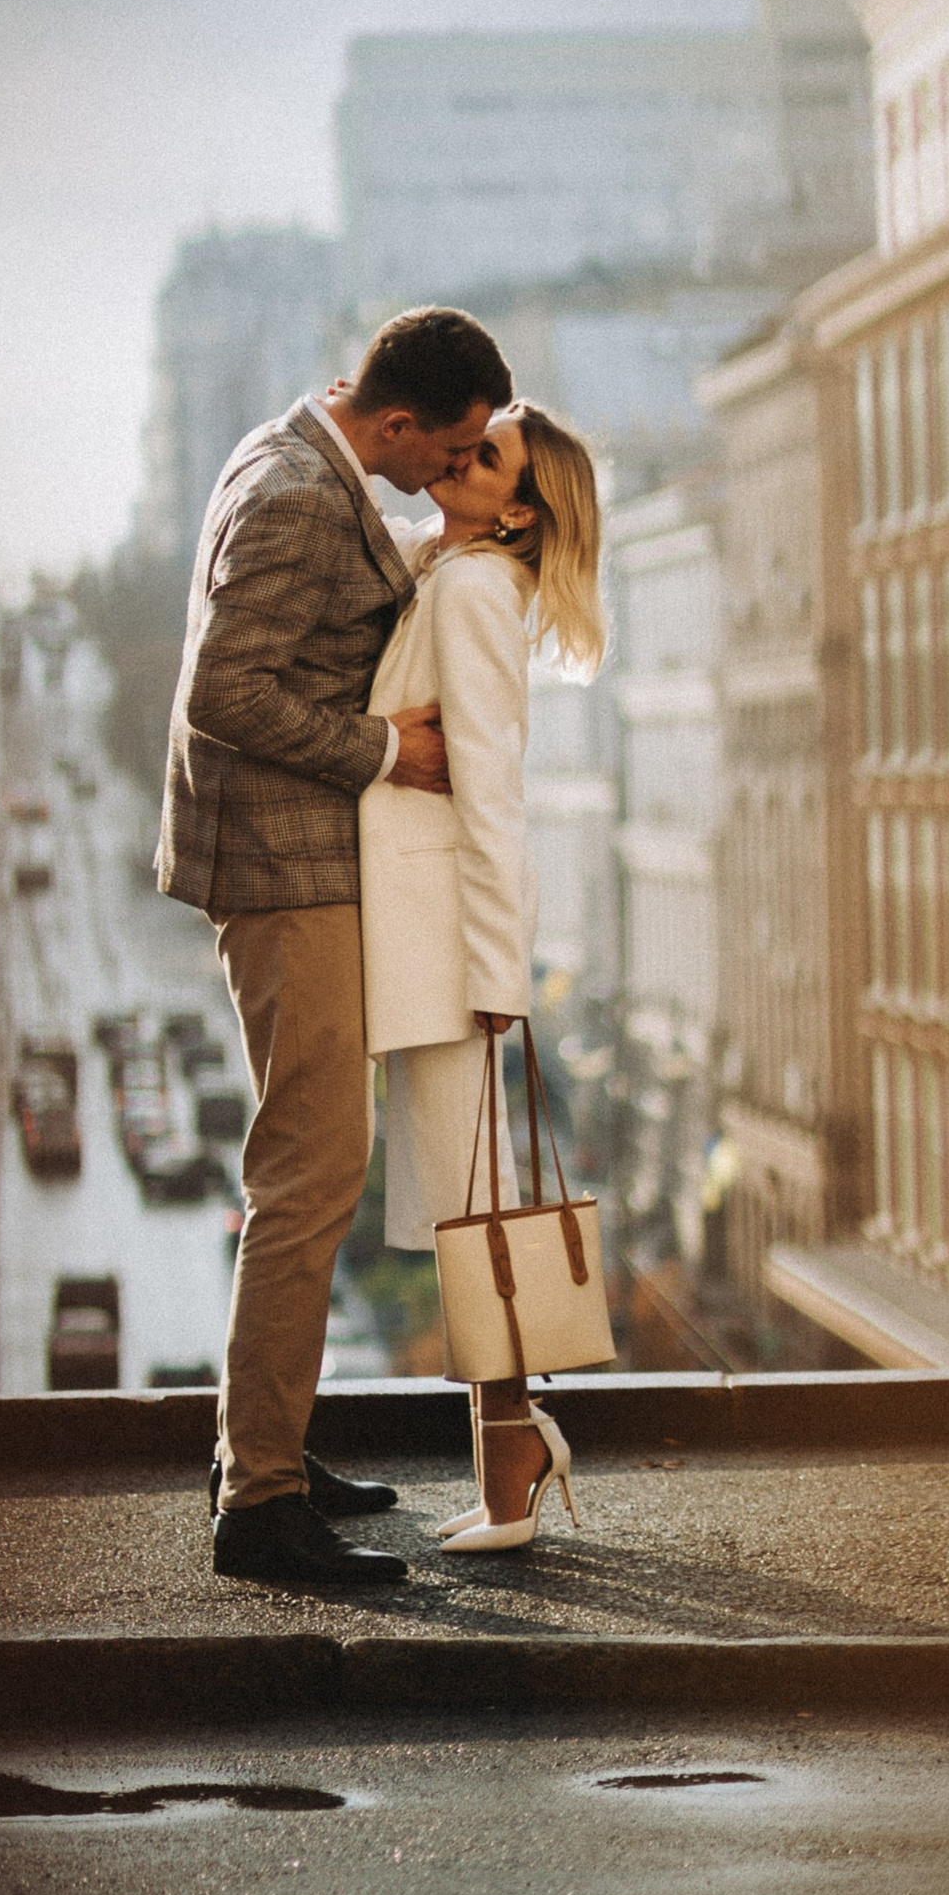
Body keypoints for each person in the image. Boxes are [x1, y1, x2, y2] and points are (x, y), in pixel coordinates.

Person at [160, 304, 512, 1589]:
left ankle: (268, 1452)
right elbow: (223, 690)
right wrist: (382, 752)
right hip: (283, 873)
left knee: (310, 1171)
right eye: (449, 448)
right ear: (398, 420)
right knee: (309, 1176)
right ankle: (258, 1502)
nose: (450, 468)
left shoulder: (299, 457)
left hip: (290, 867)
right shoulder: (300, 494)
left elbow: (314, 617)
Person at [361, 402, 605, 1550]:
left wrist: (501, 969)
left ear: (517, 511)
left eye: (487, 454)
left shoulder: (470, 591)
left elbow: (492, 792)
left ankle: (511, 1460)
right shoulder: (447, 569)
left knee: (474, 1213)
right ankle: (509, 1449)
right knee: (461, 1208)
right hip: (421, 936)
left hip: (443, 944)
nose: (460, 455)